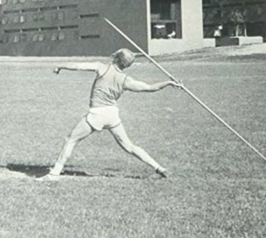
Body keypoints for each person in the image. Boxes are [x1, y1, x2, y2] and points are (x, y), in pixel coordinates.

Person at [37, 48, 183, 181]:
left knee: (71, 140)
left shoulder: (102, 68)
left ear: (116, 59)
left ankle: (54, 174)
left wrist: (60, 66)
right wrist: (169, 82)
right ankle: (159, 168)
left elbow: (77, 66)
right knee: (129, 146)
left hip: (97, 114)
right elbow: (149, 88)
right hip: (112, 115)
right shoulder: (126, 80)